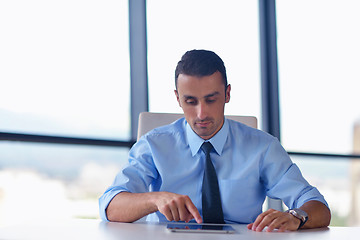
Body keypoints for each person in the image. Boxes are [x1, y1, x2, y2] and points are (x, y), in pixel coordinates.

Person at [99, 49, 331, 232]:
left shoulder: (263, 147)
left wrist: (296, 216)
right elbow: (110, 206)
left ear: (227, 94)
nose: (202, 114)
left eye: (211, 99)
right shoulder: (154, 145)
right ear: (178, 98)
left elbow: (318, 206)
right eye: (191, 101)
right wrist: (155, 198)